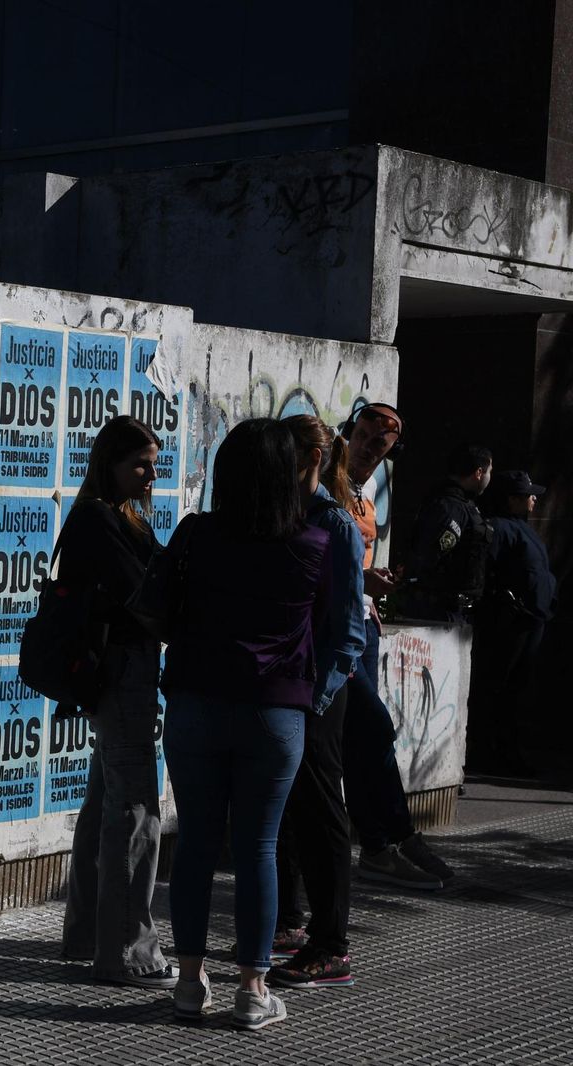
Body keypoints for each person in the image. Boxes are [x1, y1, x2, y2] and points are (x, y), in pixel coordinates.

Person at [155, 418, 329, 1031]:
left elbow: (163, 611)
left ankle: (187, 982)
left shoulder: (195, 535)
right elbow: (334, 634)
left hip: (196, 703)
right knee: (258, 847)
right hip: (275, 711)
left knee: (197, 843)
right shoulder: (312, 544)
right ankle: (253, 991)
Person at [57, 415, 175, 990]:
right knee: (134, 814)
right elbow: (149, 597)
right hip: (121, 673)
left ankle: (87, 935)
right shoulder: (100, 521)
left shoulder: (119, 517)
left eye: (154, 463)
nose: (152, 475)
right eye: (140, 465)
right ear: (110, 464)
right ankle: (128, 951)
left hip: (122, 673)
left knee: (106, 803)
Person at [339, 403, 454, 889]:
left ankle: (381, 846)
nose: (367, 448)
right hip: (337, 629)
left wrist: (369, 590)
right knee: (373, 727)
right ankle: (396, 837)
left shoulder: (365, 498)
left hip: (362, 622)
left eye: (378, 444)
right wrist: (359, 580)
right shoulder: (328, 486)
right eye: (362, 436)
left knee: (362, 740)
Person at [269, 415, 365, 990]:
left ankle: (332, 944)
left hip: (318, 692)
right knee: (286, 808)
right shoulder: (282, 516)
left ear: (310, 458)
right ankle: (290, 919)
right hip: (284, 687)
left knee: (322, 807)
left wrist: (318, 696)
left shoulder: (334, 523)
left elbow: (348, 629)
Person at [469, 471, 558, 775]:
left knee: (514, 690)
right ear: (512, 500)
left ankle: (506, 751)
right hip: (513, 621)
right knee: (502, 690)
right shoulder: (502, 528)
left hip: (532, 618)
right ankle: (495, 753)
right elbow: (484, 568)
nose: (534, 498)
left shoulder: (521, 528)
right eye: (528, 494)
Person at [400, 443, 493, 624]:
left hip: (453, 610)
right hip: (441, 612)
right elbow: (429, 556)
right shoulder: (452, 507)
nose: (490, 478)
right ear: (479, 473)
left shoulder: (463, 504)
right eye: (489, 471)